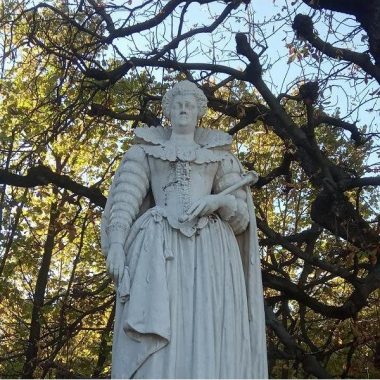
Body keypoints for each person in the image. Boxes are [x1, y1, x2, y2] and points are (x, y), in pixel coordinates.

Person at [101, 80, 268, 378]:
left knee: (208, 330)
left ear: (199, 112)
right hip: (158, 250)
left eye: (189, 105)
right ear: (167, 110)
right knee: (158, 346)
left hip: (211, 256)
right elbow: (124, 201)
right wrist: (115, 244)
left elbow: (241, 219)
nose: (183, 109)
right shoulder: (145, 152)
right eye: (177, 104)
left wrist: (219, 201)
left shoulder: (220, 156)